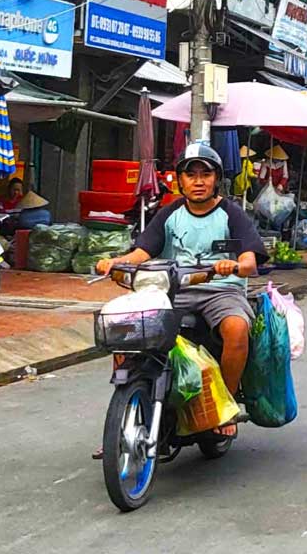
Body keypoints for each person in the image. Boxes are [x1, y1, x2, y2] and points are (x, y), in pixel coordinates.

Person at [97, 142, 268, 435]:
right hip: (175, 289)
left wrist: (234, 265)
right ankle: (126, 413)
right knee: (130, 327)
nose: (198, 181)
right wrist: (115, 263)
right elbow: (141, 253)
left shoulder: (232, 214)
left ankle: (224, 408)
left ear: (216, 179)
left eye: (206, 174)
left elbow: (249, 261)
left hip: (221, 290)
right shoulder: (170, 213)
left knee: (237, 328)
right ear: (180, 180)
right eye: (191, 175)